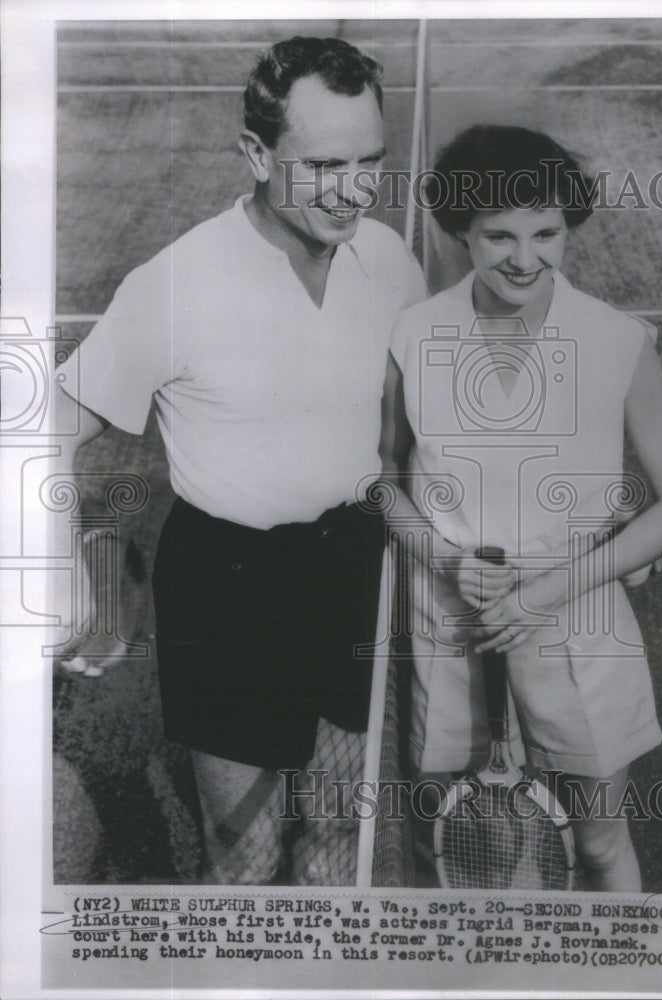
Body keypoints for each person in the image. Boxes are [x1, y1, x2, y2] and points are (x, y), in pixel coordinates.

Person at [53, 36, 426, 885]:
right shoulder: (175, 282)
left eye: (369, 161)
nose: (354, 190)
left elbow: (412, 437)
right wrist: (88, 582)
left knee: (338, 834)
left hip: (351, 570)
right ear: (257, 154)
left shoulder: (388, 262)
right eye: (324, 165)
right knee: (246, 855)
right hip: (228, 587)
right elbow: (42, 435)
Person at [379, 125, 662, 891]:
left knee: (598, 847)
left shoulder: (618, 342)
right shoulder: (414, 334)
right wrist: (448, 558)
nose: (525, 257)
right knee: (456, 853)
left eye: (546, 232)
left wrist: (550, 592)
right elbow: (385, 479)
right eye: (498, 235)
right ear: (459, 229)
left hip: (577, 629)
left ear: (566, 228)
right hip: (451, 627)